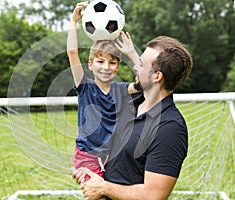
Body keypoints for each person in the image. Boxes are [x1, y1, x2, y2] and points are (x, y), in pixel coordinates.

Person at [73, 32, 193, 200]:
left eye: (141, 64)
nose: (135, 67)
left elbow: (153, 196)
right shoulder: (129, 100)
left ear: (157, 76)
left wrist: (104, 187)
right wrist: (86, 168)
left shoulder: (169, 128)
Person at [67, 1, 139, 183]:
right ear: (90, 64)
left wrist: (131, 53)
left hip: (113, 156)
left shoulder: (121, 90)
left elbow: (145, 82)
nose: (106, 67)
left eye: (112, 62)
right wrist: (73, 22)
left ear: (117, 67)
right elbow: (72, 53)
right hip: (87, 157)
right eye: (100, 62)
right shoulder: (85, 87)